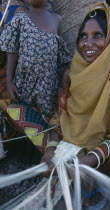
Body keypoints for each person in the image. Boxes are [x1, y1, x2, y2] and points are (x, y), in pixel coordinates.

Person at [41, 1, 110, 189]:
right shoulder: (71, 72)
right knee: (16, 109)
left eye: (98, 35)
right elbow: (59, 117)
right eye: (83, 36)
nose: (88, 43)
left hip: (105, 148)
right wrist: (50, 150)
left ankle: (93, 174)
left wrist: (92, 158)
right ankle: (86, 174)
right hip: (68, 141)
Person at [0, 0, 71, 152]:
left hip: (47, 85)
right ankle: (26, 147)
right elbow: (11, 50)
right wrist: (10, 80)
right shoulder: (21, 17)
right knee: (21, 113)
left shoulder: (56, 19)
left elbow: (60, 53)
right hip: (24, 82)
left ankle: (42, 149)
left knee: (45, 115)